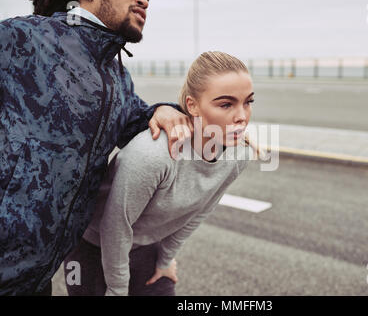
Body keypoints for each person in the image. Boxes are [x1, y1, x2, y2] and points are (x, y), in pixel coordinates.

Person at [0, 0, 193, 295]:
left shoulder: (116, 78)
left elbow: (135, 119)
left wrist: (161, 110)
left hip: (35, 283)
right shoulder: (22, 38)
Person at [63, 51, 258, 296]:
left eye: (248, 102)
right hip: (94, 246)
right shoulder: (153, 154)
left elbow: (198, 212)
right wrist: (116, 290)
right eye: (226, 104)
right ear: (192, 105)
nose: (242, 117)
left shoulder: (239, 155)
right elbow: (115, 227)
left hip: (146, 245)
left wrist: (165, 260)